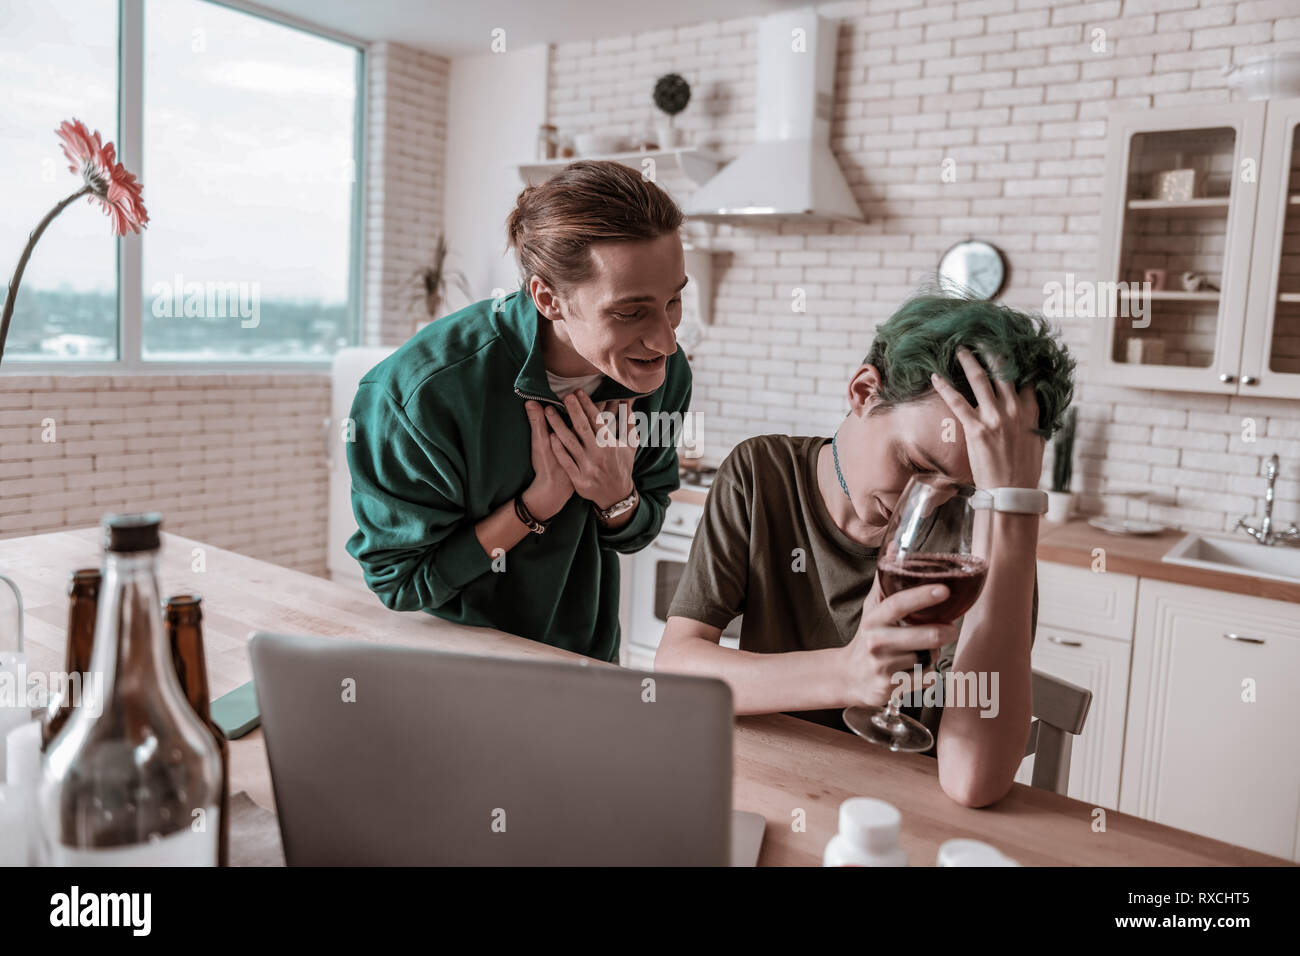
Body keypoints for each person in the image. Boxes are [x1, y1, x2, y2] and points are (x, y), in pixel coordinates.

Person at [655, 292, 1076, 808]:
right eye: (916, 465)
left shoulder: (977, 538)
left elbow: (972, 779)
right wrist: (845, 674)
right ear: (863, 391)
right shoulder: (761, 474)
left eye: (962, 486)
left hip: (901, 813)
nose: (923, 503)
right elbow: (676, 668)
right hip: (773, 785)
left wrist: (1011, 505)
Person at [346, 161, 692, 662]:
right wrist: (534, 507)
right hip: (451, 668)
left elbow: (640, 528)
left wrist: (617, 498)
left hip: (586, 664)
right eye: (630, 311)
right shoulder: (419, 394)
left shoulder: (662, 372)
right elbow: (402, 584)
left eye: (674, 300)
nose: (666, 340)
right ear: (548, 298)